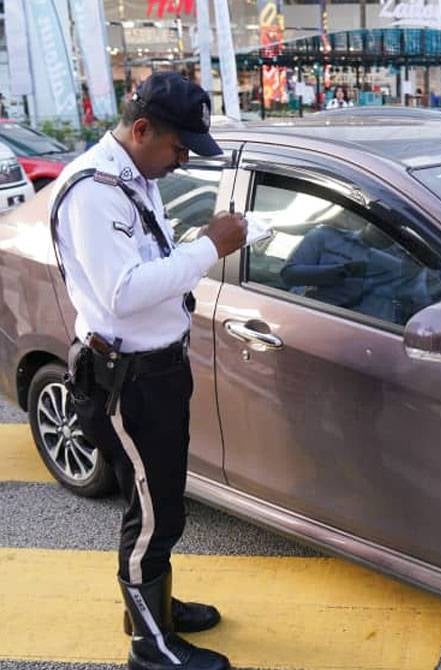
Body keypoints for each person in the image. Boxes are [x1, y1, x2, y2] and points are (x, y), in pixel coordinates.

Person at [48, 72, 247, 670]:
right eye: (179, 146)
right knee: (153, 513)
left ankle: (152, 607)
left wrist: (191, 249)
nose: (184, 159)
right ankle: (149, 646)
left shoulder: (135, 176)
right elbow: (122, 292)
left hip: (156, 371)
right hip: (126, 382)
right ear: (141, 130)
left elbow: (147, 262)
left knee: (159, 502)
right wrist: (210, 245)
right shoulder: (95, 192)